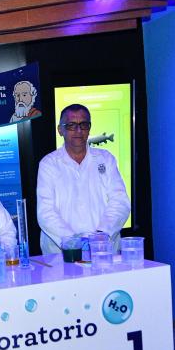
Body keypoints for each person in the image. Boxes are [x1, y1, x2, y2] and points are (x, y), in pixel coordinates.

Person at [37, 104, 131, 254]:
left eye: (84, 125)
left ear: (89, 128)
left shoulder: (106, 159)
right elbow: (45, 212)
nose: (79, 131)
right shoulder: (49, 164)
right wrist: (73, 242)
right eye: (71, 125)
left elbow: (120, 202)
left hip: (103, 251)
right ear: (60, 130)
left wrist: (101, 236)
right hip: (61, 253)